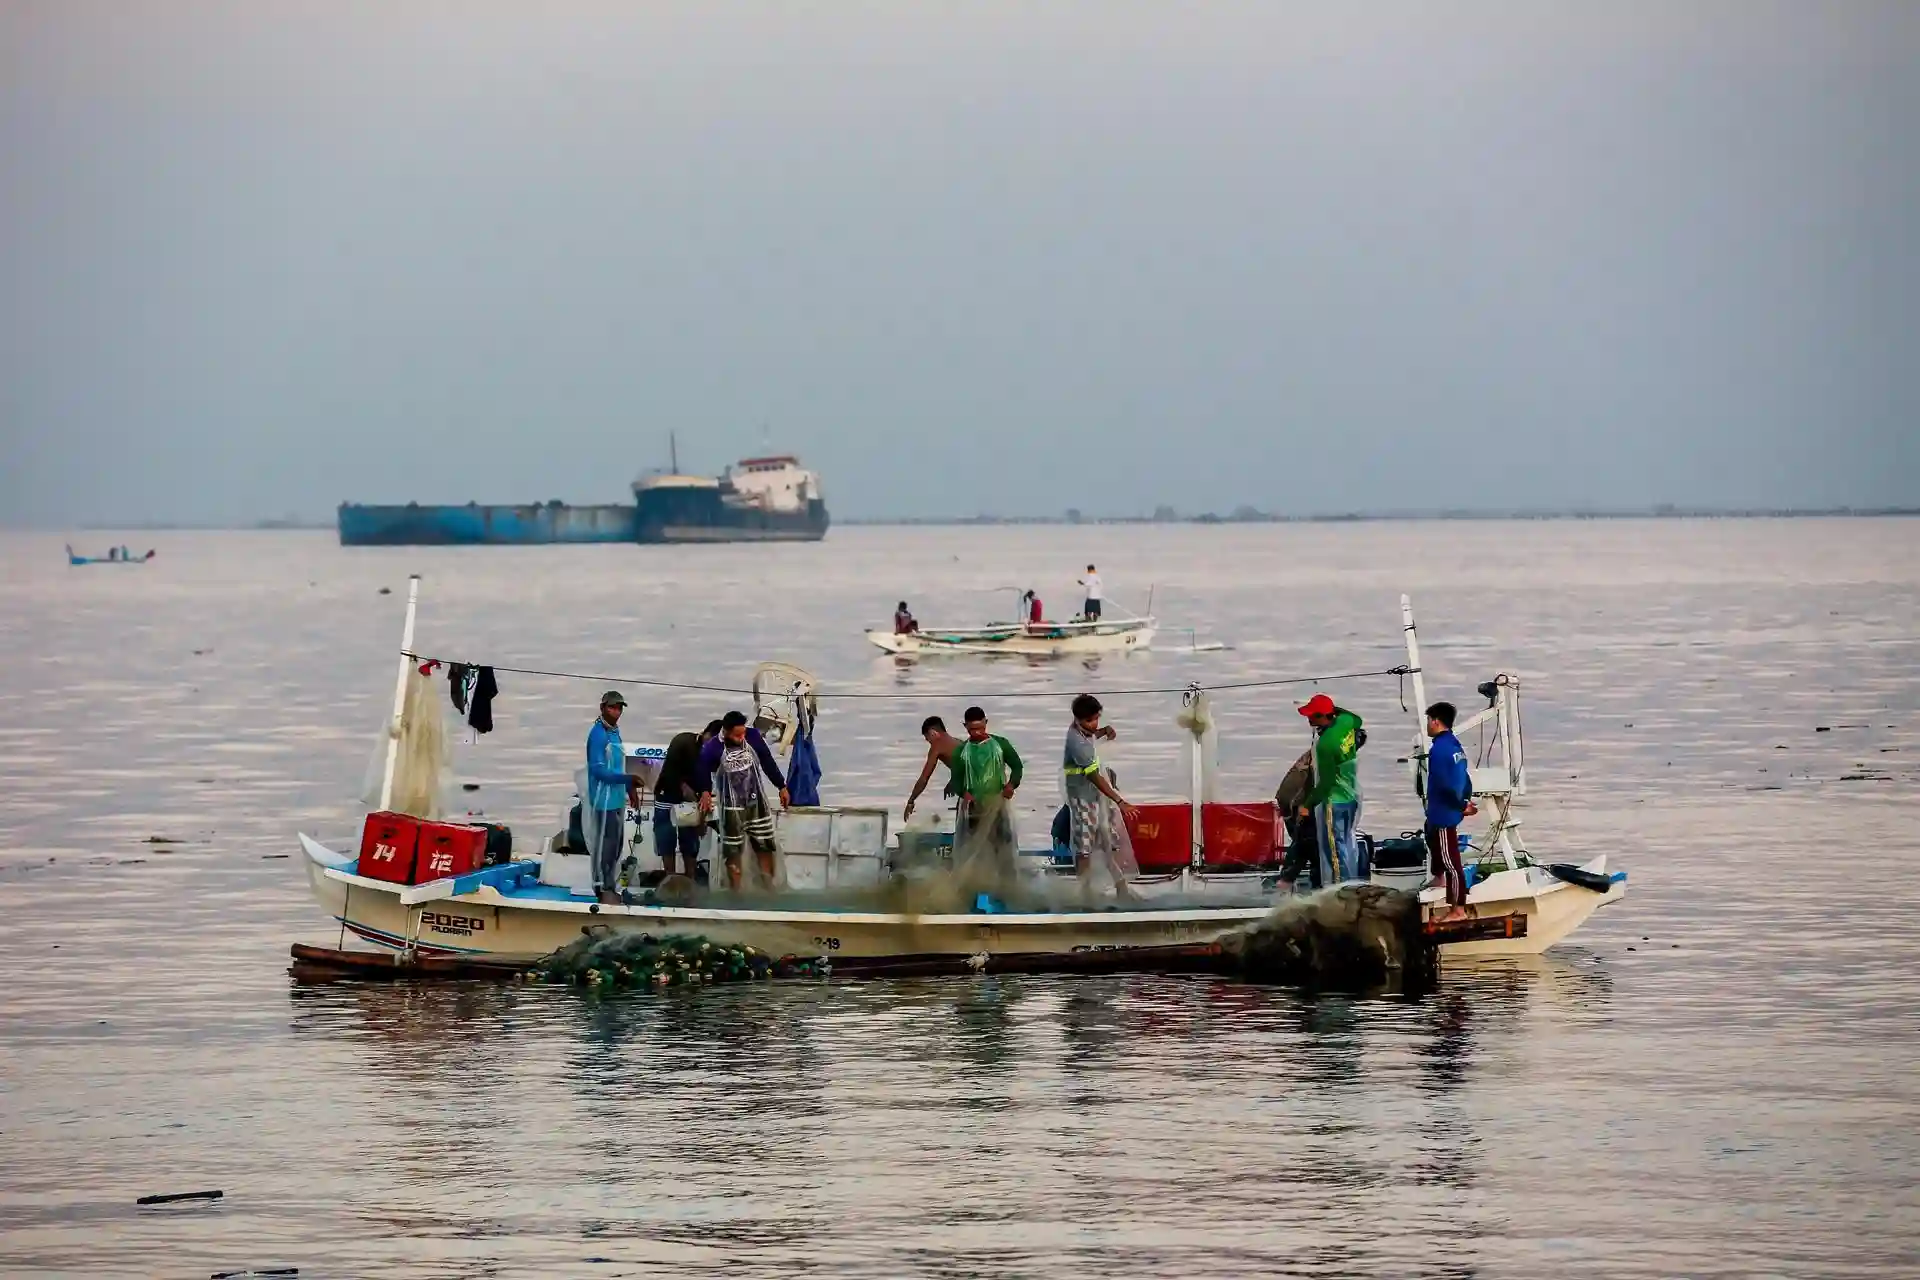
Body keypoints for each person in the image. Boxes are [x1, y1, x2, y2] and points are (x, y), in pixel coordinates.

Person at [697, 710, 791, 890]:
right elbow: (701, 769)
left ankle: (768, 887)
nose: (741, 738)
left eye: (743, 734)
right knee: (733, 851)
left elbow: (767, 761)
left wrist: (782, 786)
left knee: (764, 846)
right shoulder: (713, 747)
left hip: (757, 804)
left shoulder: (754, 736)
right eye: (737, 735)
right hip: (731, 808)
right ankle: (737, 892)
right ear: (725, 731)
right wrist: (705, 792)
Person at [1063, 694, 1140, 897]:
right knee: (1084, 847)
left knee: (1107, 840)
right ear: (1077, 719)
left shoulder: (1085, 732)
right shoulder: (1077, 743)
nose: (1093, 723)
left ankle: (1120, 885)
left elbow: (1091, 736)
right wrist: (1119, 800)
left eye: (1096, 718)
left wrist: (1102, 731)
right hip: (1083, 799)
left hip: (1096, 797)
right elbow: (1093, 776)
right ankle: (1085, 892)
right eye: (1089, 721)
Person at [949, 706, 1024, 893]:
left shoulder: (1001, 745)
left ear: (986, 723)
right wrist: (963, 793)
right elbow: (956, 781)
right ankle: (976, 889)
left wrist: (1011, 785)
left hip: (998, 807)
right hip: (974, 809)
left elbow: (1017, 767)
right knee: (975, 850)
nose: (976, 733)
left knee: (1003, 847)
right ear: (965, 726)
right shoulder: (961, 752)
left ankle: (1009, 889)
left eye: (980, 728)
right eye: (972, 730)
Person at [1299, 693, 1365, 886]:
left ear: (1322, 717)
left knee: (1335, 851)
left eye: (1312, 715)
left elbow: (1326, 783)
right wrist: (1335, 711)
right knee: (1346, 844)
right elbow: (1357, 720)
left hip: (1334, 802)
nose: (1309, 719)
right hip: (1351, 798)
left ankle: (1341, 891)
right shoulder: (1345, 722)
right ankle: (1351, 885)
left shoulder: (1326, 745)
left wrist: (1307, 804)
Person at [584, 690, 641, 903]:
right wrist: (628, 779)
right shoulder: (597, 734)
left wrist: (630, 789)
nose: (616, 712)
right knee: (604, 848)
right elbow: (598, 770)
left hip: (616, 798)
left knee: (616, 847)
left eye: (619, 708)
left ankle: (610, 885)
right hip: (603, 800)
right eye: (612, 707)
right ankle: (602, 889)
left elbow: (619, 764)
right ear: (602, 708)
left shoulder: (615, 732)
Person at [1423, 701, 1478, 919]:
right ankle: (1439, 877)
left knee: (1451, 862)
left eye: (1429, 720)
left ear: (1436, 722)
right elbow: (1466, 779)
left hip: (1444, 813)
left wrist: (1461, 805)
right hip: (1439, 812)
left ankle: (1457, 908)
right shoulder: (1455, 746)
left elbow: (1443, 786)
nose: (1428, 724)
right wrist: (1466, 800)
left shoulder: (1438, 750)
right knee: (1429, 832)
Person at [653, 719, 722, 882]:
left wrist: (702, 817)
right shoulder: (682, 741)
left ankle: (690, 878)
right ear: (706, 733)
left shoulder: (715, 753)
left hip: (693, 799)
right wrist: (684, 788)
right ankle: (669, 878)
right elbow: (670, 773)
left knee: (690, 839)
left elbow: (709, 781)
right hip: (667, 793)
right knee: (665, 837)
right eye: (711, 740)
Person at [1273, 745, 1320, 892]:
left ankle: (1288, 878)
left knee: (1305, 841)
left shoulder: (1320, 749)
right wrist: (1303, 806)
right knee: (1306, 841)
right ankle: (1287, 880)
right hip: (1294, 801)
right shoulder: (1326, 752)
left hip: (1292, 798)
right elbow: (1310, 783)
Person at [903, 715, 961, 821]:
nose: (927, 741)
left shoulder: (937, 746)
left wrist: (911, 801)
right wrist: (954, 780)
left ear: (932, 732)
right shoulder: (957, 742)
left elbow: (924, 778)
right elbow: (965, 764)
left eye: (927, 737)